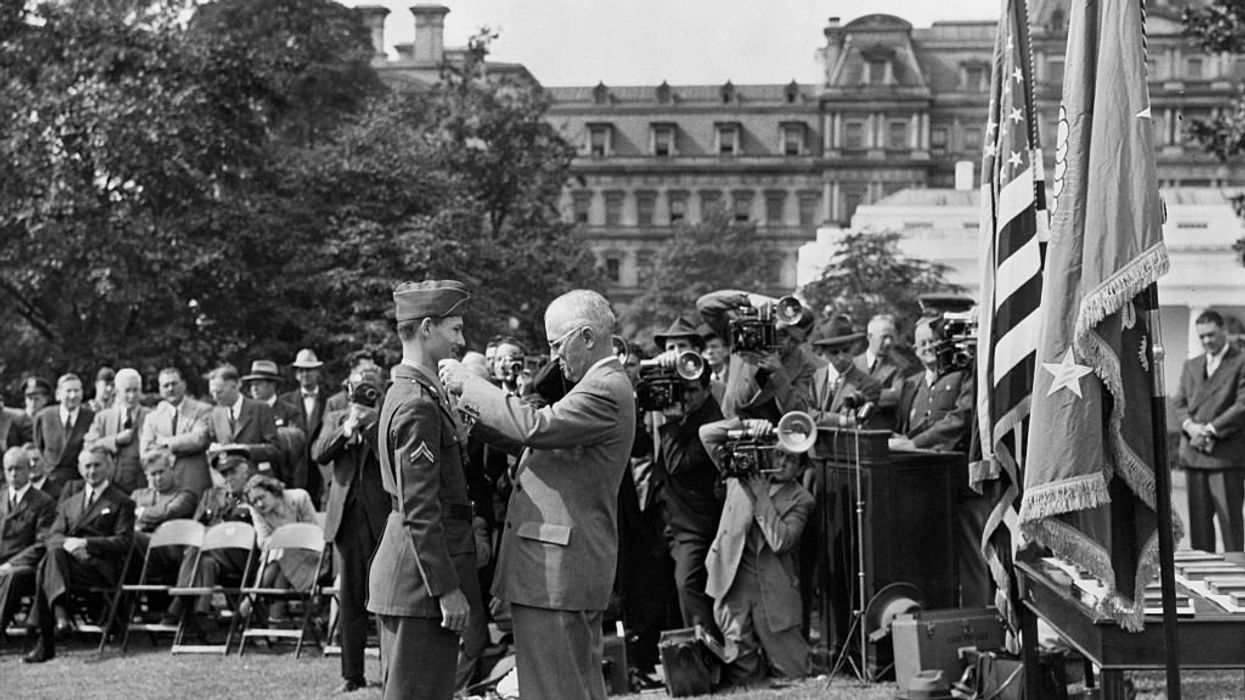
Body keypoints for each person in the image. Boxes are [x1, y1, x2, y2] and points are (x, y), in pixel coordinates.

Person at [443, 288, 637, 700]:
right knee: (572, 686)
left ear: (586, 336)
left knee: (553, 689)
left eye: (556, 344)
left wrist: (470, 384)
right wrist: (473, 422)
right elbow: (538, 444)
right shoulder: (602, 384)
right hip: (557, 567)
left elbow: (537, 428)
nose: (553, 358)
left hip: (557, 569)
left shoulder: (603, 387)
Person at [367, 280, 483, 700]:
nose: (462, 340)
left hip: (414, 578)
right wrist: (445, 588)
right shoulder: (416, 402)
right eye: (455, 329)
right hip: (419, 584)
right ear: (428, 327)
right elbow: (420, 508)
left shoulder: (411, 393)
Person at [699, 417, 814, 685]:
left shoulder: (801, 499)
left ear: (800, 468)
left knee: (794, 673)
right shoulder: (739, 474)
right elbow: (706, 433)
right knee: (744, 673)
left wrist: (762, 497)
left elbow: (781, 541)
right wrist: (748, 425)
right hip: (733, 584)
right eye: (779, 454)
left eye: (791, 460)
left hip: (773, 593)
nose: (783, 463)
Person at [894, 315, 983, 605]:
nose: (927, 348)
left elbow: (961, 418)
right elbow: (913, 426)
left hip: (957, 482)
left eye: (932, 342)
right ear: (914, 349)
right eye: (921, 343)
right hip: (922, 488)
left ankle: (976, 614)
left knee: (970, 558)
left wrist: (914, 443)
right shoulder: (913, 383)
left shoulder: (964, 374)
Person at [313, 367, 390, 693]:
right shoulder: (335, 417)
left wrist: (370, 425)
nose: (362, 395)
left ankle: (390, 673)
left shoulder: (386, 415)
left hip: (380, 518)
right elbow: (318, 453)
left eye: (370, 389)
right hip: (346, 520)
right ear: (347, 388)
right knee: (351, 599)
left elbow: (389, 454)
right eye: (358, 388)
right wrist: (347, 429)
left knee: (385, 600)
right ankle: (352, 675)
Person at [24, 446, 136, 663]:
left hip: (100, 567)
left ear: (110, 467)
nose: (92, 471)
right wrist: (71, 546)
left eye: (97, 465)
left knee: (45, 567)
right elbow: (52, 536)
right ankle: (58, 618)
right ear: (79, 468)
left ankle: (50, 631)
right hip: (68, 564)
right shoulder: (70, 502)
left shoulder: (122, 501)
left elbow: (123, 541)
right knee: (52, 557)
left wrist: (86, 543)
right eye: (87, 466)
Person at [654, 368, 725, 639]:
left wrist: (670, 423)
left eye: (693, 390)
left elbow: (677, 464)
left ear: (708, 390)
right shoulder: (689, 415)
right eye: (681, 389)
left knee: (688, 584)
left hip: (696, 524)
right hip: (673, 520)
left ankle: (705, 653)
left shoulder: (711, 422)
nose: (685, 396)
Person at [1175, 309, 1245, 552]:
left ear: (1224, 331)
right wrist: (1191, 427)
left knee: (1231, 527)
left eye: (1211, 335)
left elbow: (1242, 404)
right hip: (1195, 455)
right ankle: (1202, 582)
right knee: (1199, 530)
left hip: (1225, 456)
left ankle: (1237, 581)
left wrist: (1211, 430)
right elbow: (1179, 404)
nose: (1206, 341)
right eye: (1202, 336)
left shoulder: (1240, 362)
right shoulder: (1192, 365)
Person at [696, 289, 821, 423]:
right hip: (729, 424)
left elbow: (798, 413)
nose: (786, 343)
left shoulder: (803, 363)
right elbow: (705, 306)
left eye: (795, 340)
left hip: (769, 433)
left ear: (803, 341)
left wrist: (779, 374)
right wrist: (749, 299)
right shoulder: (746, 336)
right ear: (772, 324)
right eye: (782, 333)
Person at [238, 474, 318, 623]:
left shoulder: (299, 498)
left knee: (281, 558)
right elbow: (263, 542)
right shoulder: (256, 510)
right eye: (255, 501)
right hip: (278, 560)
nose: (260, 504)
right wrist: (283, 541)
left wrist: (281, 540)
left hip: (310, 557)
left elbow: (313, 534)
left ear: (273, 491)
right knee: (282, 563)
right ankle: (274, 624)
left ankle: (252, 598)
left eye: (262, 497)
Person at [0, 447, 57, 640]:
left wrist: (9, 565)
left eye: (18, 468)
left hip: (26, 568)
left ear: (29, 469)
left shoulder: (43, 502)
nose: (14, 474)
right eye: (9, 469)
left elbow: (42, 545)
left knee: (12, 576)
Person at [140, 368, 214, 496]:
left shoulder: (202, 410)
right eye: (166, 385)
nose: (170, 388)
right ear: (160, 390)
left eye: (174, 383)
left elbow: (198, 439)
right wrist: (184, 445)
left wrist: (166, 443)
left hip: (193, 481)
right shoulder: (152, 417)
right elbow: (146, 451)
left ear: (183, 385)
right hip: (162, 487)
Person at [206, 364, 282, 474]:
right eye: (212, 392)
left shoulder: (261, 409)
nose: (215, 397)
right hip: (229, 481)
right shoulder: (216, 414)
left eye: (219, 391)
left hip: (258, 478)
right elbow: (211, 446)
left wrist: (246, 449)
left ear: (235, 386)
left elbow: (275, 449)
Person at [809, 317, 883, 429]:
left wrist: (819, 418)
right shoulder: (812, 378)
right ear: (824, 352)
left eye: (846, 350)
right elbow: (804, 412)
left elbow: (857, 419)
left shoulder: (870, 385)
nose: (841, 357)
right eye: (834, 352)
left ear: (854, 347)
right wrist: (840, 419)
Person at [85, 367, 150, 494]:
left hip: (141, 486)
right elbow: (89, 446)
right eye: (127, 391)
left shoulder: (151, 417)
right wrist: (115, 440)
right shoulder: (103, 417)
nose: (132, 396)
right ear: (117, 391)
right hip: (109, 486)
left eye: (135, 390)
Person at [33, 373, 96, 488]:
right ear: (58, 394)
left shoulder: (91, 417)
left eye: (76, 391)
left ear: (82, 394)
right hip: (50, 482)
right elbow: (38, 448)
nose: (73, 396)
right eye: (68, 391)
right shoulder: (44, 416)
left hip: (78, 482)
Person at [853, 314, 910, 432]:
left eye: (892, 338)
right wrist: (882, 393)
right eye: (884, 337)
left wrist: (858, 395)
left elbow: (896, 397)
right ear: (870, 337)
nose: (889, 342)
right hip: (852, 431)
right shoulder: (853, 364)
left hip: (880, 433)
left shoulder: (900, 367)